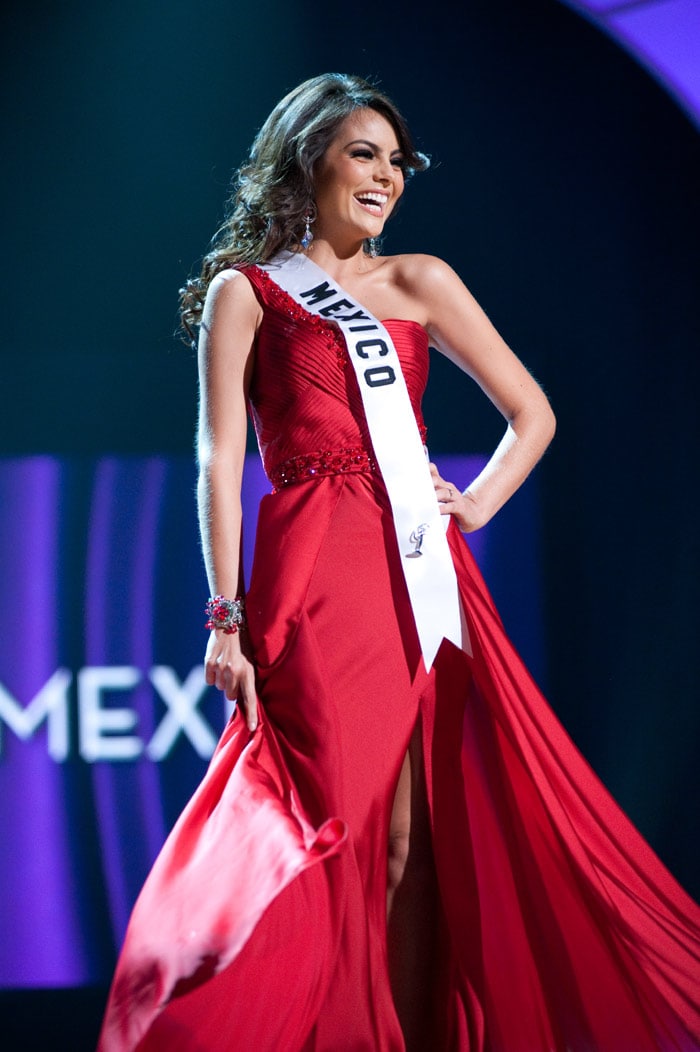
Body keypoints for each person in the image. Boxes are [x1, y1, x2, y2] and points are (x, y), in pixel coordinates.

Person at [98, 73, 699, 1052]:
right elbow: (218, 458)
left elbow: (532, 413)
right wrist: (225, 616)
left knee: (417, 835)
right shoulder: (244, 290)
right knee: (327, 816)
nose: (383, 176)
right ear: (308, 159)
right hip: (312, 574)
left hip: (419, 569)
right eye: (361, 153)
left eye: (395, 160)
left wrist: (473, 502)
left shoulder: (421, 280)